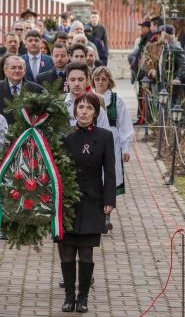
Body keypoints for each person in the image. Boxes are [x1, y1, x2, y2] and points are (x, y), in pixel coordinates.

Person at [59, 92, 116, 313]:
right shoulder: (65, 135)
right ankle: (68, 297)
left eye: (89, 108)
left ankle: (82, 297)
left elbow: (109, 171)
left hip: (93, 200)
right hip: (68, 202)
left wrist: (109, 199)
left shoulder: (104, 136)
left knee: (86, 252)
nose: (84, 111)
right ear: (75, 111)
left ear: (96, 112)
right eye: (80, 107)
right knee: (66, 251)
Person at [92, 66, 133, 228]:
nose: (101, 82)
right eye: (97, 79)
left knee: (109, 175)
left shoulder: (117, 100)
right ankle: (96, 213)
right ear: (93, 80)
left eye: (104, 79)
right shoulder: (89, 98)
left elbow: (125, 125)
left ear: (109, 81)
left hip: (113, 140)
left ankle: (107, 214)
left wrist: (126, 148)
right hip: (94, 139)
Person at [0, 54, 44, 125]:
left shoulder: (37, 90)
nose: (17, 70)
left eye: (20, 68)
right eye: (13, 68)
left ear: (24, 70)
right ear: (5, 70)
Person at [64, 61, 110, 129]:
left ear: (87, 80)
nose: (76, 83)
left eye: (80, 79)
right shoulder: (60, 102)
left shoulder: (97, 102)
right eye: (72, 79)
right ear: (67, 80)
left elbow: (105, 133)